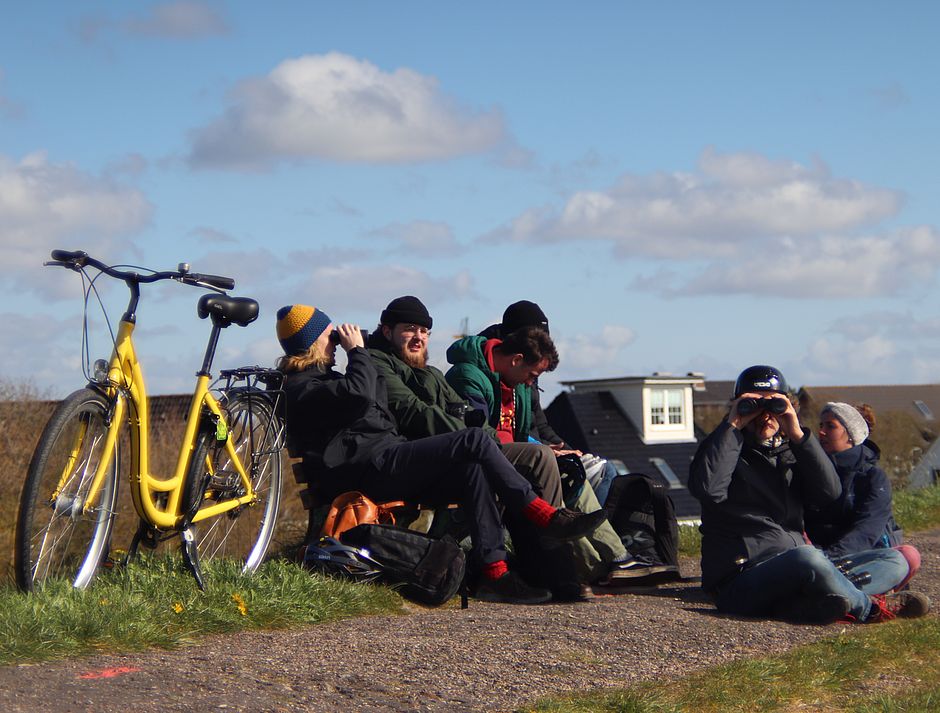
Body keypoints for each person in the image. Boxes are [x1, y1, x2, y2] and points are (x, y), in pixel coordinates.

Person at [275, 304, 606, 605]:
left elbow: (370, 400)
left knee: (472, 470)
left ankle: (495, 574)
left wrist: (366, 351)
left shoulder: (326, 380)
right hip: (366, 468)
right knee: (474, 440)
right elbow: (361, 395)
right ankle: (542, 514)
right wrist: (359, 353)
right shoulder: (301, 386)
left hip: (383, 457)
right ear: (312, 341)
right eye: (328, 336)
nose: (335, 342)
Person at [688, 365, 929, 624]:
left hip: (798, 566)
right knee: (808, 557)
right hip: (741, 577)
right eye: (753, 405)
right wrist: (733, 425)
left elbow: (829, 493)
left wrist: (798, 434)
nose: (764, 416)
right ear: (736, 405)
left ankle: (808, 603)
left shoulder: (790, 452)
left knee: (895, 559)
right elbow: (708, 490)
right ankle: (869, 607)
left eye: (773, 405)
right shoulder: (721, 448)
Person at [444, 326, 653, 586]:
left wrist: (545, 448)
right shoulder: (467, 375)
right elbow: (478, 433)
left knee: (569, 468)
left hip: (509, 455)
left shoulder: (515, 381)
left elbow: (521, 433)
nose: (532, 382)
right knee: (543, 458)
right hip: (481, 455)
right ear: (516, 359)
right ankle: (572, 561)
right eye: (532, 375)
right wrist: (536, 449)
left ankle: (615, 559)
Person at [479, 300, 619, 503]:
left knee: (600, 470)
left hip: (535, 451)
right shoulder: (497, 372)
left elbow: (540, 423)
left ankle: (596, 531)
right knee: (600, 474)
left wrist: (565, 448)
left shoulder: (524, 370)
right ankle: (574, 529)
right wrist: (548, 449)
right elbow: (507, 430)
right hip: (524, 455)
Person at [808, 402, 921, 594]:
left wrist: (830, 558)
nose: (821, 432)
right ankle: (850, 595)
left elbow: (867, 530)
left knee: (905, 558)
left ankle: (833, 592)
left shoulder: (873, 477)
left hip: (856, 557)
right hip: (816, 557)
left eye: (831, 426)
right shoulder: (808, 469)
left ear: (851, 435)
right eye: (821, 426)